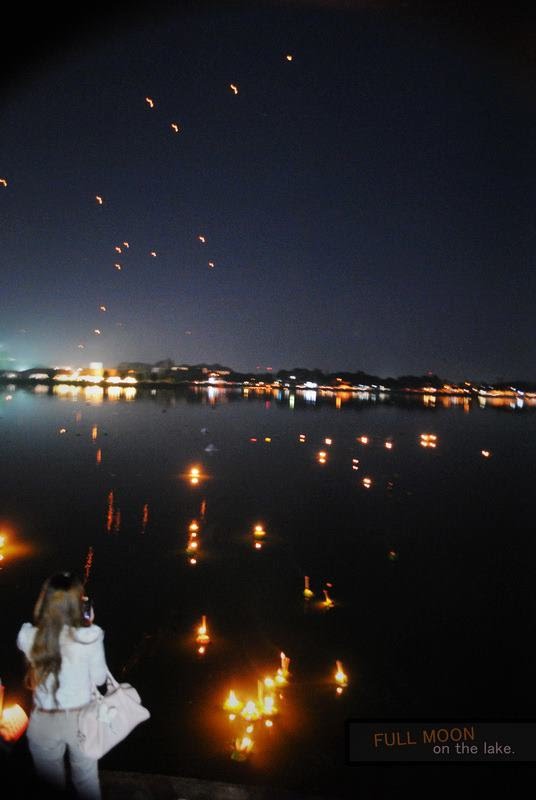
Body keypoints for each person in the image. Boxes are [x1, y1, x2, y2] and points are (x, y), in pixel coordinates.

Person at [17, 571, 108, 799]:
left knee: (50, 788)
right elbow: (99, 680)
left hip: (43, 720)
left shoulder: (28, 636)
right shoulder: (89, 637)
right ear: (78, 604)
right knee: (86, 782)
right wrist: (87, 625)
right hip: (80, 721)